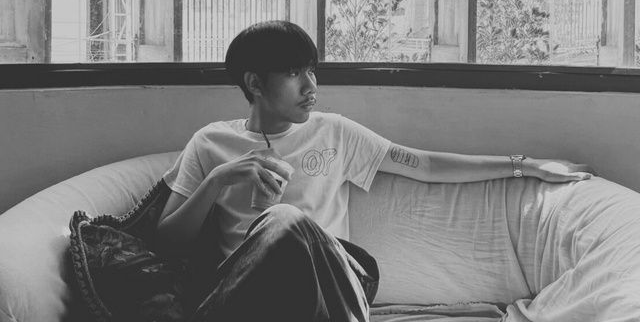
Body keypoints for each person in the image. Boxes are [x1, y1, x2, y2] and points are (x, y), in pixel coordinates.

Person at [157, 20, 592, 322]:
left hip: (334, 290)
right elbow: (167, 240)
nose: (311, 87)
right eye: (293, 74)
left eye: (312, 71)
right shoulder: (211, 143)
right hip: (250, 300)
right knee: (274, 237)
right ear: (255, 83)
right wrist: (219, 179)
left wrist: (524, 165)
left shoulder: (334, 132)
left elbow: (423, 164)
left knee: (285, 219)